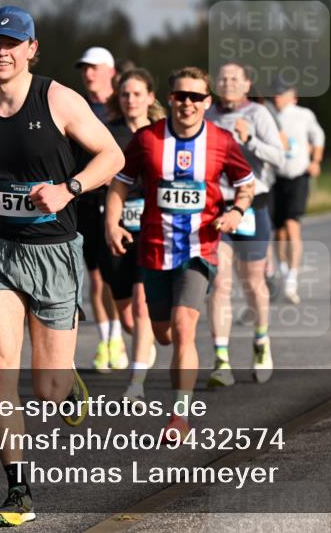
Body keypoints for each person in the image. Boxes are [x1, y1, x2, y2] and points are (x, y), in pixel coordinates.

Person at [0, 6, 124, 527]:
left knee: (46, 389)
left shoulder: (58, 100)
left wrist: (68, 187)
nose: (2, 51)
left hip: (54, 251)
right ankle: (18, 490)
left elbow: (111, 156)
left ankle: (68, 383)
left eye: (12, 43)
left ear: (31, 49)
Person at [106, 66, 254, 443]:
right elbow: (119, 185)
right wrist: (112, 224)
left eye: (195, 97)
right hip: (154, 249)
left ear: (207, 102)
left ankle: (180, 416)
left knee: (185, 328)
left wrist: (236, 212)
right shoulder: (147, 139)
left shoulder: (221, 141)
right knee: (165, 334)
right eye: (180, 96)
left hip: (199, 249)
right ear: (169, 99)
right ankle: (166, 351)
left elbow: (246, 184)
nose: (187, 103)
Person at [206, 62, 285, 387]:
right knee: (219, 283)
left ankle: (261, 341)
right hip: (215, 207)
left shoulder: (259, 114)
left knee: (253, 283)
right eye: (222, 78)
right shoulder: (207, 114)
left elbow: (280, 157)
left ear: (247, 83)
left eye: (234, 78)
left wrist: (249, 138)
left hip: (253, 204)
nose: (227, 83)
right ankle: (221, 359)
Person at [99, 68, 166, 402]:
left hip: (152, 227)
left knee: (141, 305)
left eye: (137, 94)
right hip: (114, 224)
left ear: (150, 98)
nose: (131, 100)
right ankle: (142, 340)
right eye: (125, 94)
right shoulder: (106, 132)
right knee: (126, 313)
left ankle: (136, 382)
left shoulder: (162, 135)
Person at [74, 46, 128, 373]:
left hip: (116, 201)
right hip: (83, 199)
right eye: (84, 68)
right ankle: (107, 340)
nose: (88, 73)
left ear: (110, 71)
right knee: (94, 277)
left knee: (113, 276)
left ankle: (119, 335)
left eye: (94, 67)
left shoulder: (120, 108)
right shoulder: (76, 106)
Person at [270, 81, 325, 304]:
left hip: (298, 175)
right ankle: (284, 270)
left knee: (293, 226)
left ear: (293, 96)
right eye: (275, 93)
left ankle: (291, 280)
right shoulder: (266, 114)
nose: (278, 98)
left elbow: (318, 138)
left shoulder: (304, 115)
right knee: (279, 232)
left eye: (282, 94)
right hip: (274, 178)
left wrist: (316, 161)